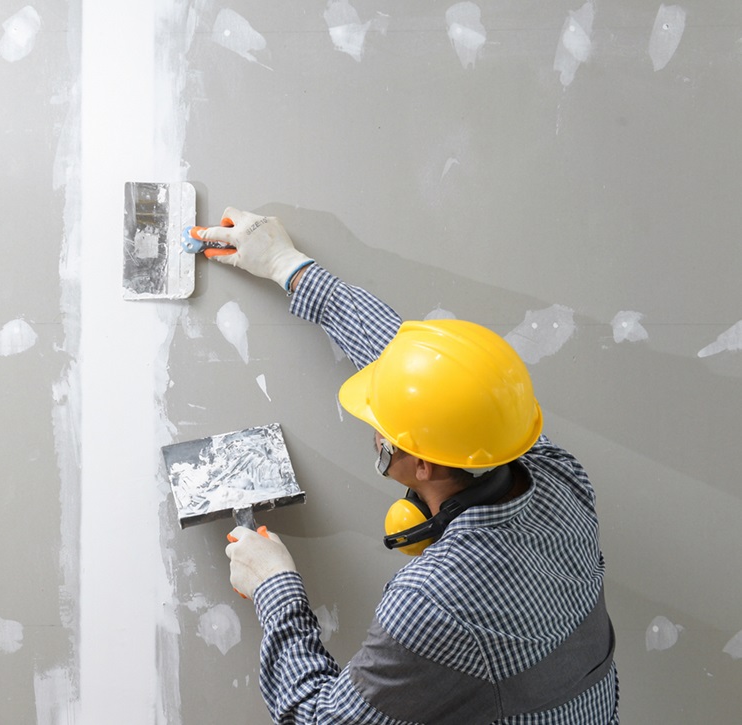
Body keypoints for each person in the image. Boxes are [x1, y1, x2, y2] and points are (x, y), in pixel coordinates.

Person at [198, 208, 618, 724]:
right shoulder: (557, 476)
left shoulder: (433, 601)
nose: (374, 427)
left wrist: (274, 586)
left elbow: (323, 720)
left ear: (418, 462)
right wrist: (289, 265)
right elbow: (425, 372)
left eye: (382, 423)